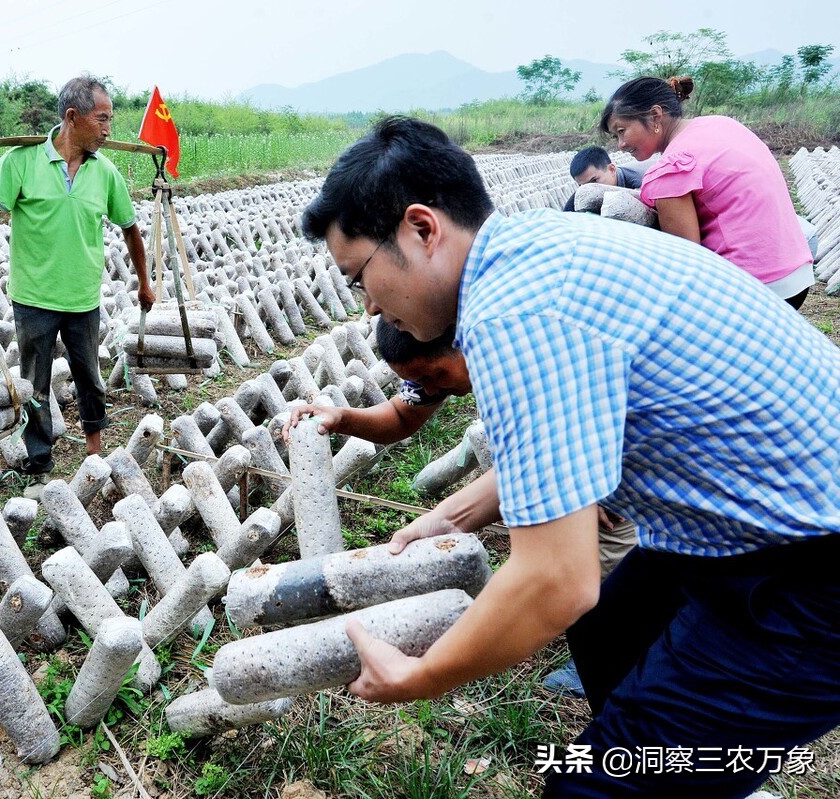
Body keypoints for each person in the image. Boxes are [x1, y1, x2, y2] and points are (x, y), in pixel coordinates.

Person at [299, 116, 840, 797]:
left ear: (421, 229)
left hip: (811, 570)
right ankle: (702, 768)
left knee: (591, 787)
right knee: (610, 624)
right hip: (764, 521)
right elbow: (568, 448)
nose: (369, 304)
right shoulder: (532, 252)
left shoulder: (513, 313)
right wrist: (450, 518)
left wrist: (422, 675)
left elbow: (556, 581)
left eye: (360, 278)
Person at [284, 318, 636, 699]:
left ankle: (620, 661)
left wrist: (431, 673)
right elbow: (402, 416)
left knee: (607, 587)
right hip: (576, 455)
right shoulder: (438, 367)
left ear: (463, 342)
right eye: (421, 382)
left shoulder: (527, 366)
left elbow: (552, 579)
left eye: (436, 374)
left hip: (630, 466)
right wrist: (343, 418)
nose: (432, 388)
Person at [0, 74, 155, 493]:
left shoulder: (105, 173)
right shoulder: (21, 162)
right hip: (33, 296)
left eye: (110, 120)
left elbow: (131, 230)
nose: (108, 130)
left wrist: (145, 282)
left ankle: (93, 449)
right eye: (102, 119)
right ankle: (39, 457)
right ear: (73, 117)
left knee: (90, 375)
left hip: (82, 294)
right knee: (34, 379)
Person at [602, 76, 814, 308]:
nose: (620, 144)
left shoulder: (670, 168)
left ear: (655, 116)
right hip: (796, 270)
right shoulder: (721, 124)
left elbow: (688, 258)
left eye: (622, 130)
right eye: (615, 136)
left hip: (757, 285)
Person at [561, 146, 649, 212]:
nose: (590, 189)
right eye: (582, 186)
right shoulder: (586, 190)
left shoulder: (641, 182)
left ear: (611, 170)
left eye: (594, 181)